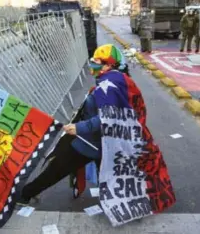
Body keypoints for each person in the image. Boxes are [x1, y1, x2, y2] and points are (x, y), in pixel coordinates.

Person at [17, 44, 128, 205]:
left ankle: (24, 195)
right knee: (108, 173)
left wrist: (78, 128)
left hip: (90, 142)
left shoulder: (110, 86)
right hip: (97, 140)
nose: (93, 64)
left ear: (109, 65)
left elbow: (107, 117)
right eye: (93, 60)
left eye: (97, 61)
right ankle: (120, 201)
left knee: (56, 169)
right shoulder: (111, 81)